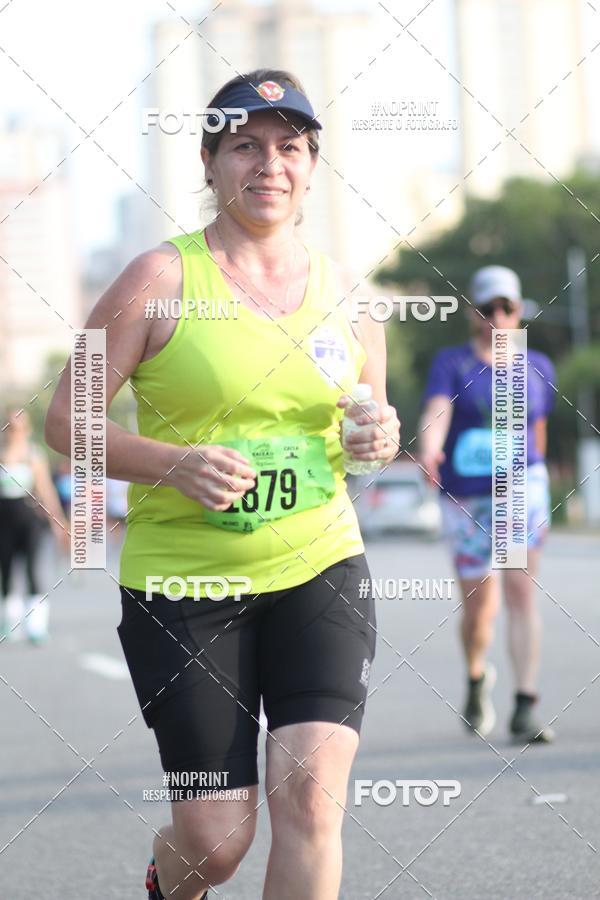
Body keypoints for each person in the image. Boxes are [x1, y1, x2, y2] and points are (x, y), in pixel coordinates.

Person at [45, 68, 400, 900]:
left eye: (289, 146)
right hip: (185, 583)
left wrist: (377, 437)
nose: (268, 164)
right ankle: (171, 883)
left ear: (311, 165)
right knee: (218, 838)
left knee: (312, 799)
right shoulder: (157, 279)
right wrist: (175, 463)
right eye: (245, 145)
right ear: (210, 163)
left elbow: (366, 430)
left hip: (320, 563)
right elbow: (67, 421)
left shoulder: (350, 294)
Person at [418, 265, 555, 744]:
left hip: (520, 491)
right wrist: (431, 446)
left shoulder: (537, 365)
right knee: (480, 608)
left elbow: (537, 431)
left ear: (519, 312)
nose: (497, 316)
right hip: (466, 496)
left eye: (506, 307)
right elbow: (438, 409)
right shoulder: (452, 363)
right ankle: (477, 675)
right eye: (487, 308)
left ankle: (525, 704)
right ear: (473, 313)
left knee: (520, 592)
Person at [0, 408, 69, 643]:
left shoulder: (33, 455)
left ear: (27, 430)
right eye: (10, 427)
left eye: (19, 428)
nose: (14, 432)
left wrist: (59, 522)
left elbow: (46, 490)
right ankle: (9, 621)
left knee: (31, 569)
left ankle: (36, 626)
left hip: (29, 521)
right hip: (4, 522)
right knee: (6, 570)